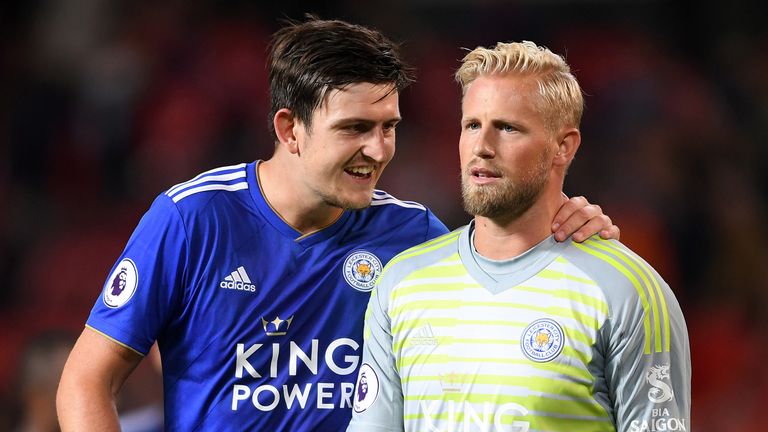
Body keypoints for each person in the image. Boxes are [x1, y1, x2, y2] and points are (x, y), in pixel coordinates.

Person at [56, 18, 619, 431]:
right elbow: (86, 380)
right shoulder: (193, 219)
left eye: (389, 127)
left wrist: (567, 234)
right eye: (354, 128)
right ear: (289, 128)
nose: (378, 150)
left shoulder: (411, 236)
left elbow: (506, 297)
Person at [347, 41, 690, 432]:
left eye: (507, 128)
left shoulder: (628, 292)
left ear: (564, 146)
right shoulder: (402, 282)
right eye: (472, 125)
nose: (482, 147)